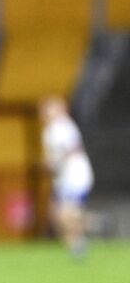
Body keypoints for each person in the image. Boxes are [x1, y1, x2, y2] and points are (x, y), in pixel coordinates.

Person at [39, 95, 94, 258]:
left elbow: (72, 150)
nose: (45, 112)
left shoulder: (61, 127)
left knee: (65, 214)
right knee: (57, 214)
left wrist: (53, 162)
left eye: (50, 108)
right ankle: (77, 244)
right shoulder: (52, 129)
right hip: (64, 178)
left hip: (75, 176)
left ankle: (93, 226)